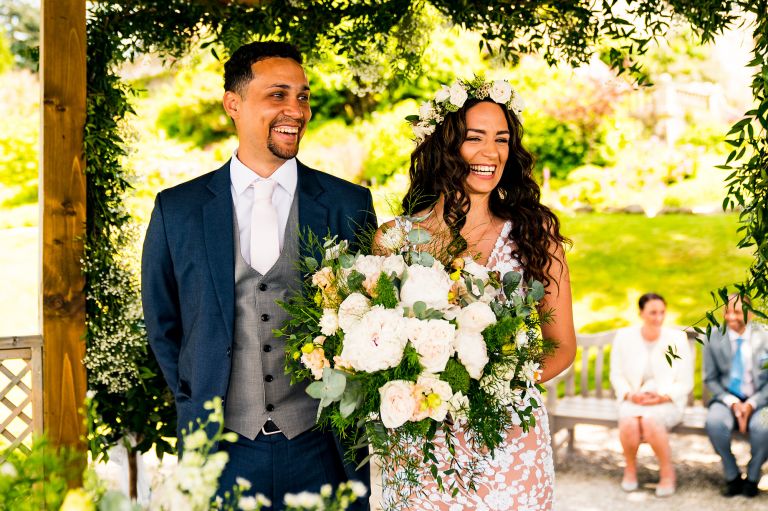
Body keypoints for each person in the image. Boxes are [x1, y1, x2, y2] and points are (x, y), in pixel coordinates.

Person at [141, 41, 376, 509]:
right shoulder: (179, 210)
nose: (296, 110)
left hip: (323, 447)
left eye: (303, 97)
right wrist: (195, 397)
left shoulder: (348, 204)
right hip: (222, 451)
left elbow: (370, 316)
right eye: (278, 95)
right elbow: (162, 323)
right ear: (234, 103)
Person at [375, 79, 576, 510]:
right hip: (421, 446)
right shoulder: (394, 240)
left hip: (508, 441)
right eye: (475, 138)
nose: (492, 153)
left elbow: (561, 348)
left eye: (502, 139)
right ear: (445, 147)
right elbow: (378, 342)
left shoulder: (535, 236)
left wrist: (490, 391)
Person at [608, 293, 693, 497]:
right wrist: (630, 394)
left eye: (662, 312)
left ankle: (667, 472)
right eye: (653, 313)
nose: (658, 318)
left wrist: (663, 396)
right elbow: (616, 374)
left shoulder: (677, 338)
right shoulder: (624, 337)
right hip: (634, 397)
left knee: (650, 421)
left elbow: (685, 381)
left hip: (666, 400)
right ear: (641, 313)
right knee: (628, 421)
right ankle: (630, 469)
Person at [704, 293, 768, 498]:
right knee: (714, 423)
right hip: (726, 399)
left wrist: (751, 404)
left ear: (750, 314)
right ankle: (731, 473)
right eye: (727, 311)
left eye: (737, 312)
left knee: (764, 426)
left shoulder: (765, 336)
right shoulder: (713, 336)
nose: (731, 317)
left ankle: (753, 473)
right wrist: (732, 402)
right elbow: (710, 378)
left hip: (761, 400)